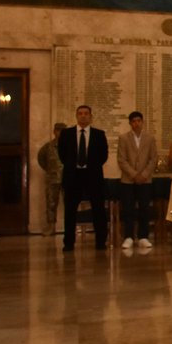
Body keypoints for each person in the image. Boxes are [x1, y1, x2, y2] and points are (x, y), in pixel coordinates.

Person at [58, 104, 109, 251]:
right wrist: (72, 165)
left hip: (92, 175)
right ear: (76, 116)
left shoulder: (99, 134)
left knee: (98, 209)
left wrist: (92, 166)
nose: (83, 116)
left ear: (90, 116)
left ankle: (100, 241)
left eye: (86, 113)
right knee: (70, 210)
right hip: (73, 175)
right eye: (80, 113)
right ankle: (68, 242)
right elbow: (62, 154)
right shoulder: (67, 134)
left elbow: (103, 155)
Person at [117, 110, 158, 249]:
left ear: (142, 122)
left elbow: (153, 159)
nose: (136, 123)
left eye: (138, 121)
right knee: (128, 209)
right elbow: (122, 160)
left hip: (145, 180)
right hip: (128, 180)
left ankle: (143, 236)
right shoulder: (123, 138)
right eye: (133, 121)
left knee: (144, 209)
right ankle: (128, 237)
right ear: (130, 123)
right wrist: (134, 175)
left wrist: (144, 175)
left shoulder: (150, 138)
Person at [37, 123, 66, 236]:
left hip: (67, 179)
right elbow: (41, 159)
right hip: (52, 179)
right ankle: (51, 226)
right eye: (58, 130)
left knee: (70, 203)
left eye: (63, 130)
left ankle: (70, 227)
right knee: (51, 203)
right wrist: (50, 170)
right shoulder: (47, 147)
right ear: (54, 131)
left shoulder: (71, 146)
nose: (60, 132)